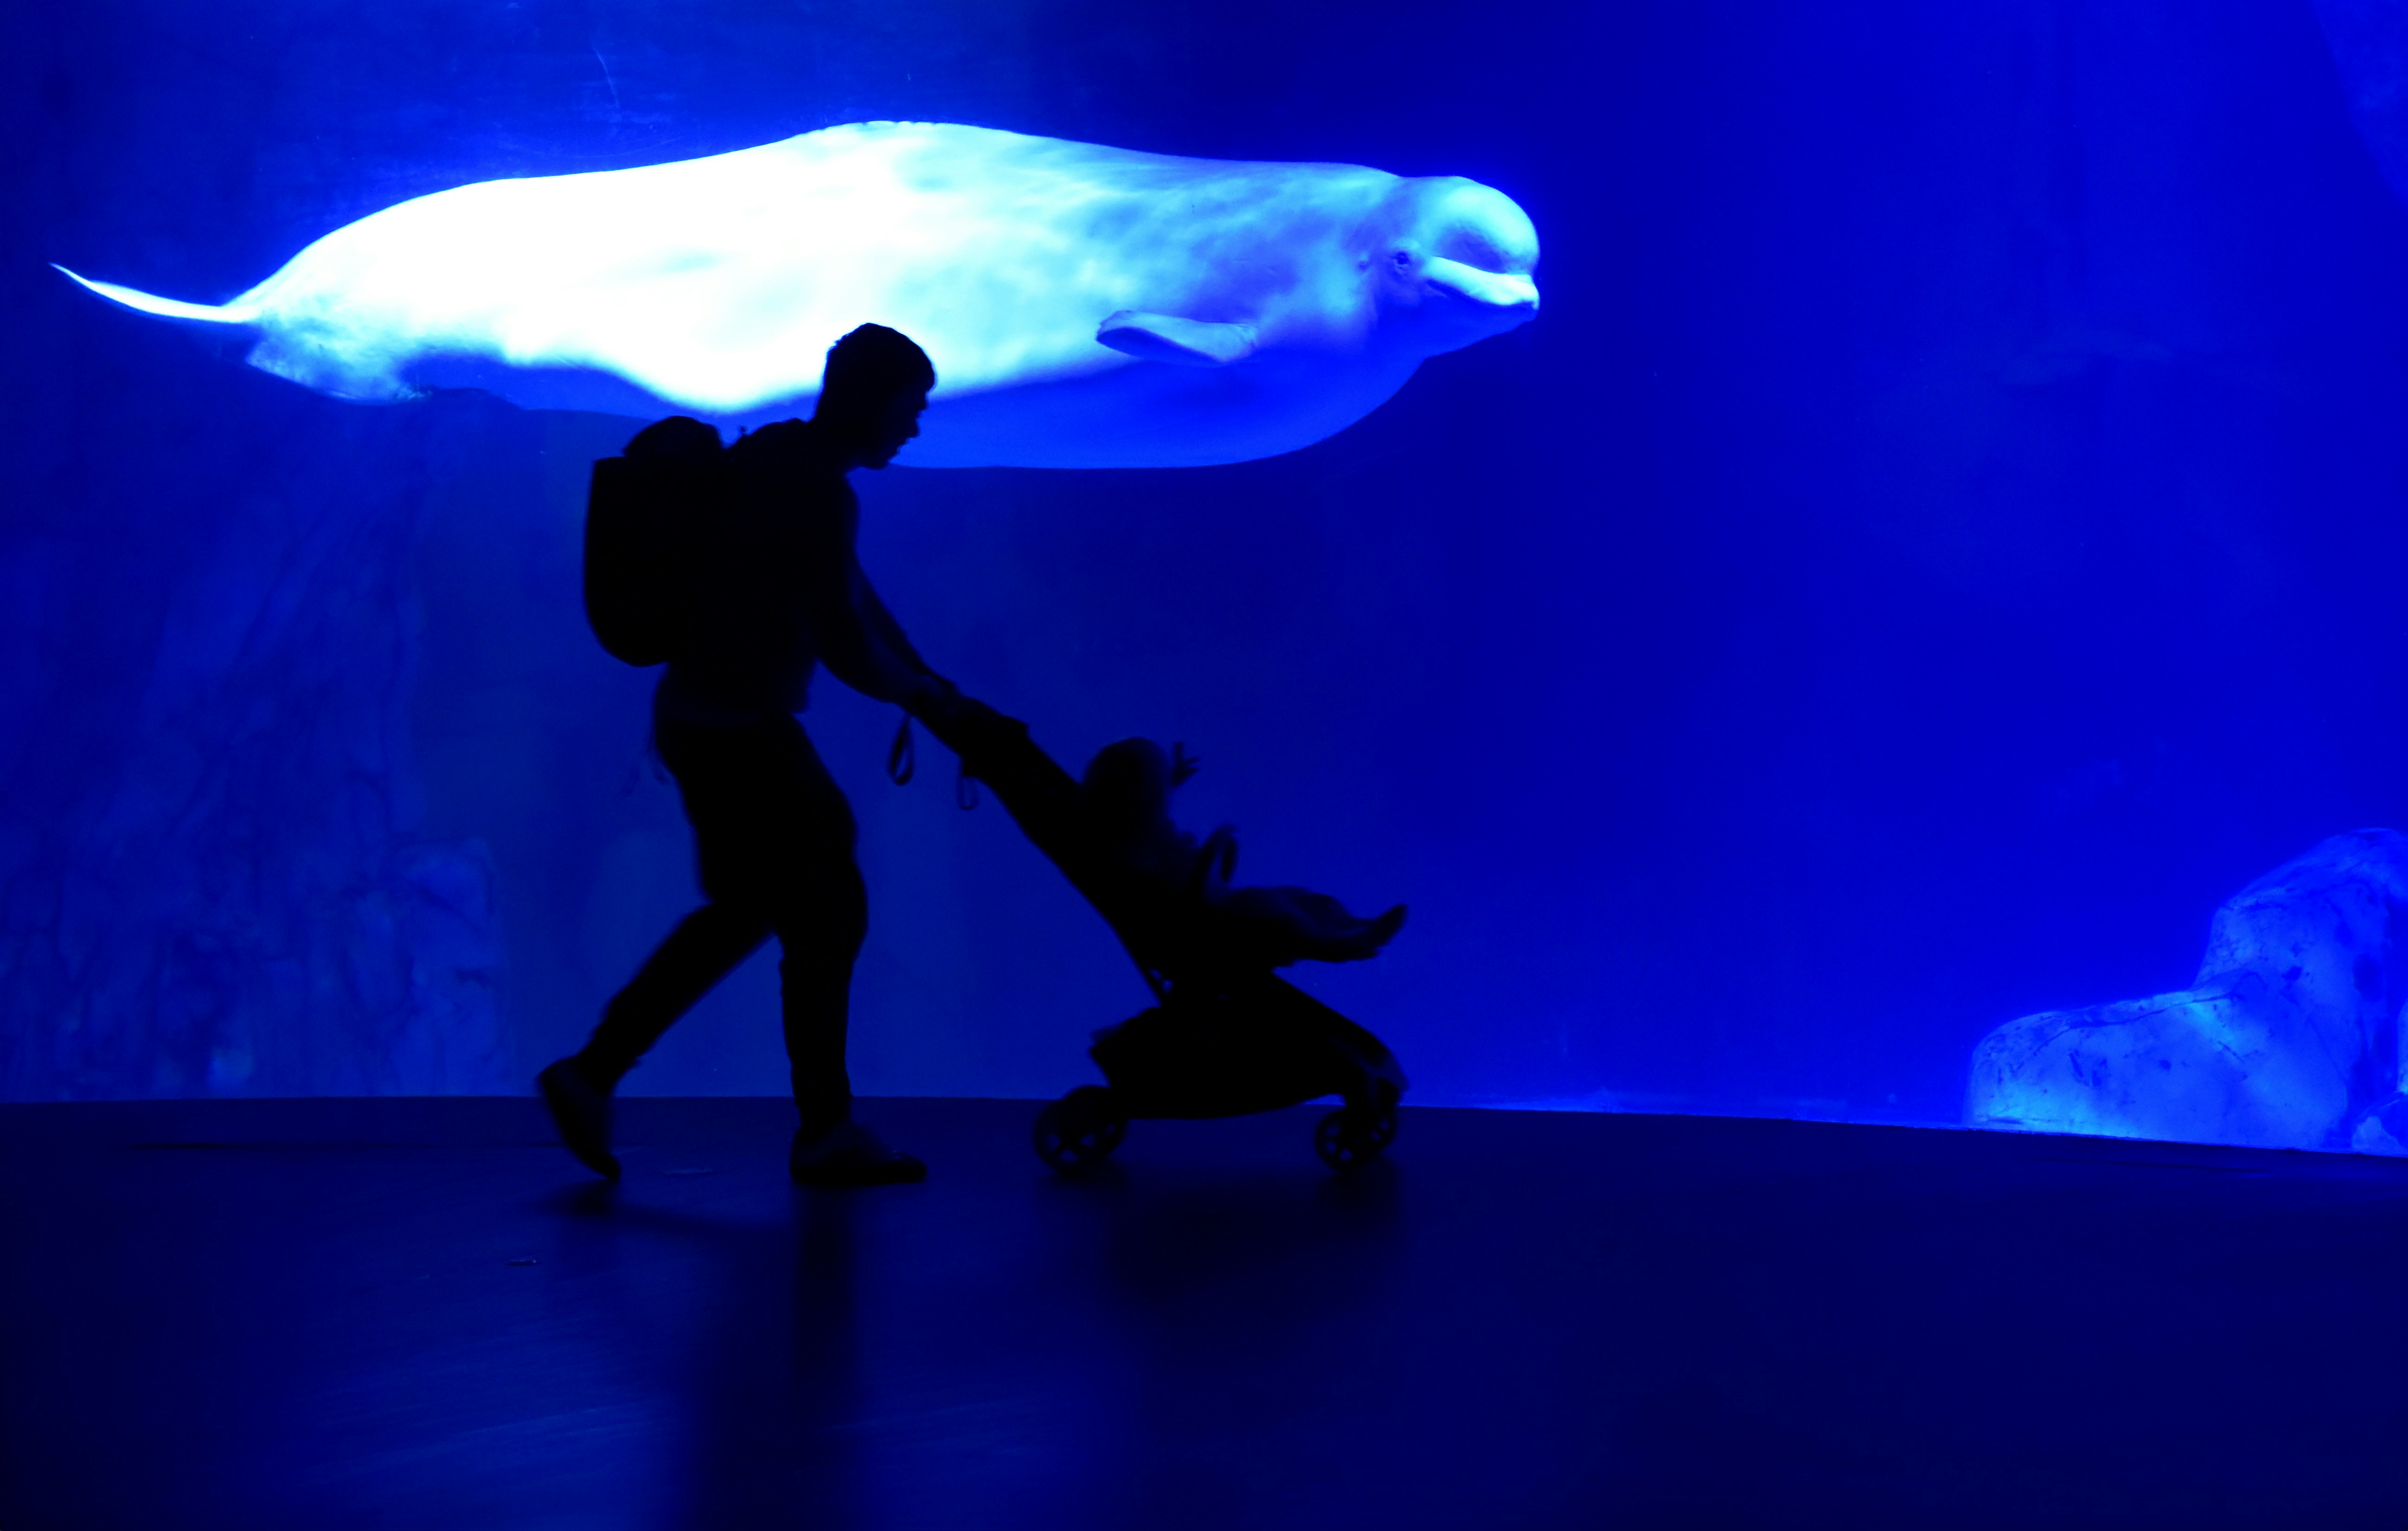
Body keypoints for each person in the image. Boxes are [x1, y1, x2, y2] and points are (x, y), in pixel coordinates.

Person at [539, 324, 953, 1186]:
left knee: (754, 907)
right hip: (736, 727)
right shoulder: (815, 491)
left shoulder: (781, 461)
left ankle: (596, 1072)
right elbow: (844, 638)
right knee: (825, 904)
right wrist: (920, 695)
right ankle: (824, 1129)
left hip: (701, 718)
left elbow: (854, 600)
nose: (914, 428)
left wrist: (927, 681)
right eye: (910, 409)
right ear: (873, 403)